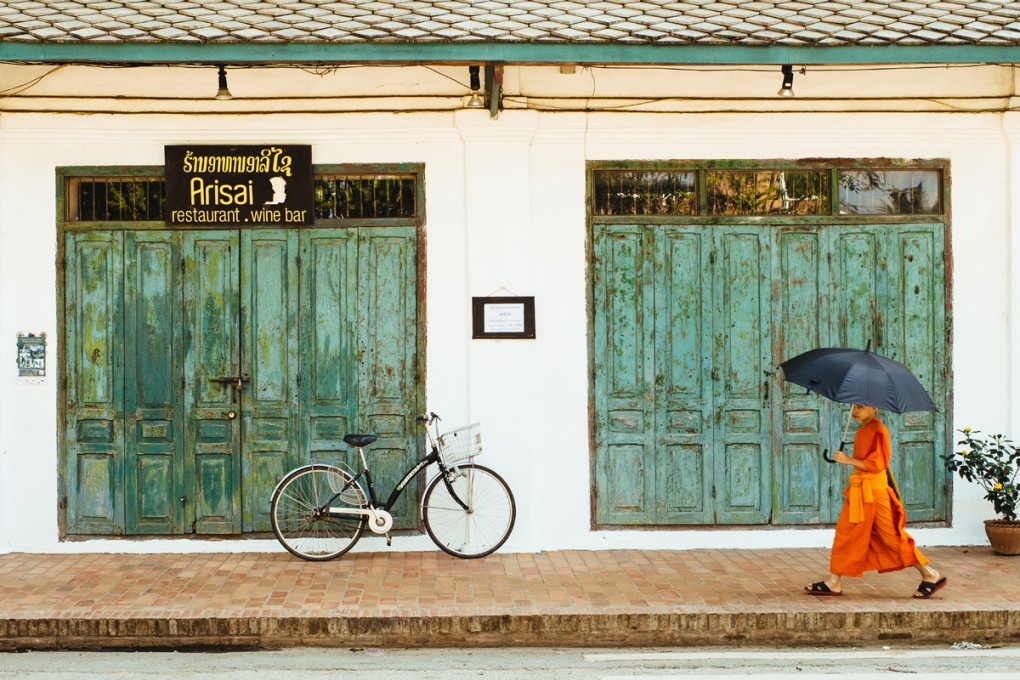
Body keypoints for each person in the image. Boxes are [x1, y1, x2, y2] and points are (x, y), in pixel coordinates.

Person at [804, 403, 947, 598]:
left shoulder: (879, 430)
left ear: (874, 408)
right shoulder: (864, 429)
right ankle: (834, 582)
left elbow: (877, 464)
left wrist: (848, 460)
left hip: (874, 493)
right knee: (845, 534)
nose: (855, 410)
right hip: (859, 491)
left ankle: (930, 574)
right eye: (853, 406)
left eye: (861, 407)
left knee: (891, 538)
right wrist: (848, 460)